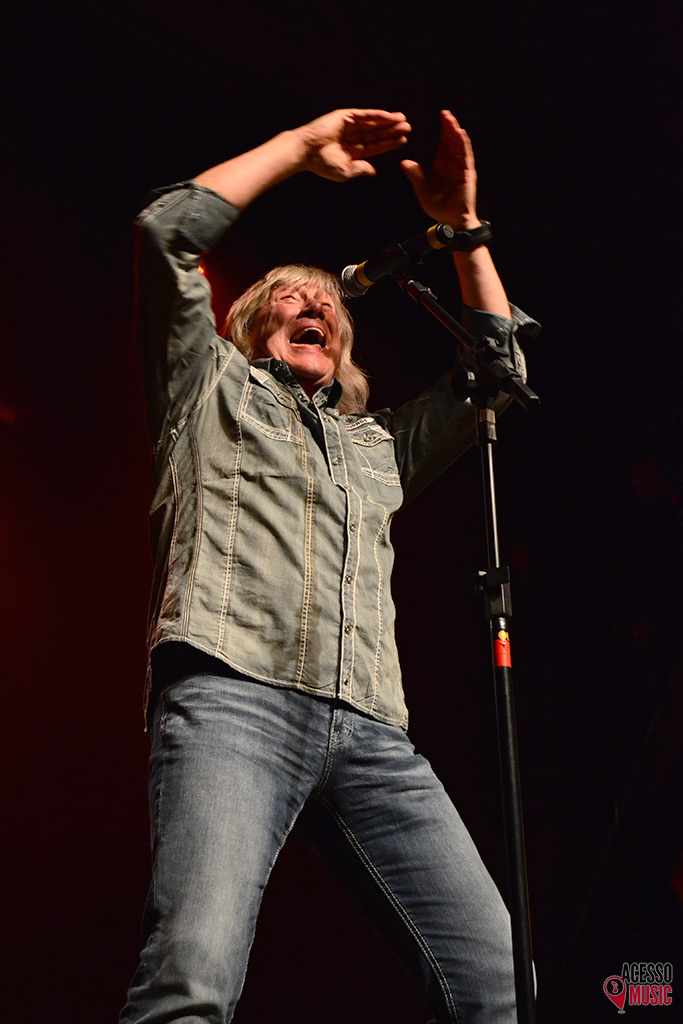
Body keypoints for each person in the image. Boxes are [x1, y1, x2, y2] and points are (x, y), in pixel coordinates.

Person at [120, 107, 537, 1024]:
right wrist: (297, 150)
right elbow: (165, 234)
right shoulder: (206, 386)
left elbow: (496, 371)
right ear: (247, 321)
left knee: (500, 986)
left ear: (344, 345)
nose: (313, 304)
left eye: (327, 304)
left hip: (371, 731)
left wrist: (464, 230)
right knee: (192, 981)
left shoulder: (375, 445)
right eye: (288, 295)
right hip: (234, 695)